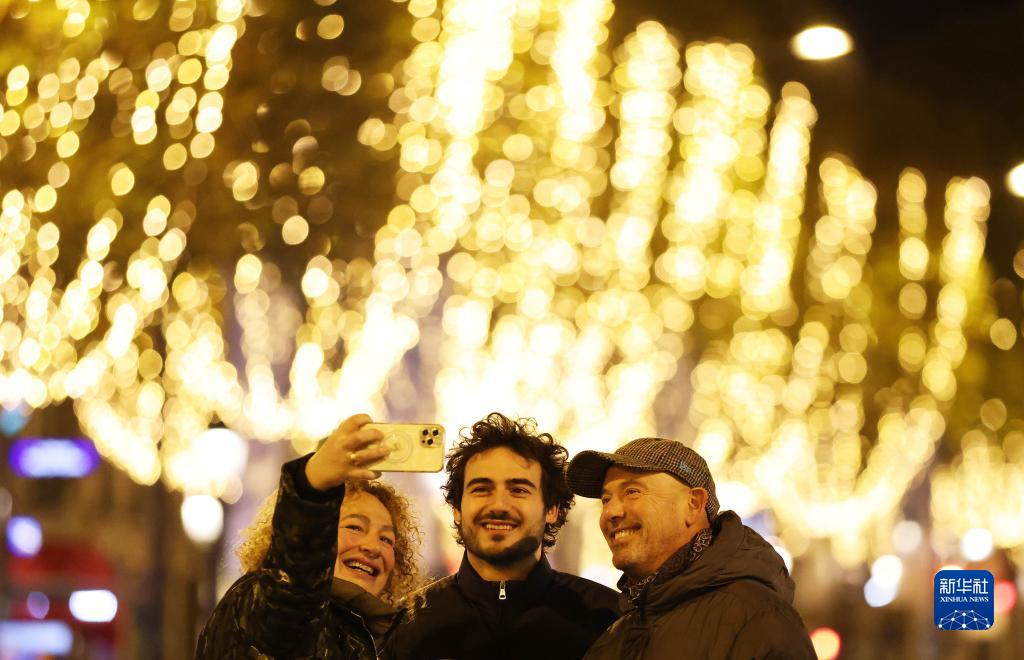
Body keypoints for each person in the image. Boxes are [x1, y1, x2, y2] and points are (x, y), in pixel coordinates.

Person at [381, 413, 619, 659]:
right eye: (482, 489)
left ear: (551, 509)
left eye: (518, 490)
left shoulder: (608, 621)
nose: (498, 505)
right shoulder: (404, 626)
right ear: (457, 509)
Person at [565, 437, 816, 660]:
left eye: (632, 492)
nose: (610, 512)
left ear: (693, 504)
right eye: (606, 499)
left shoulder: (758, 621)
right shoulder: (615, 634)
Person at [196, 414, 423, 659]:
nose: (373, 547)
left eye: (386, 539)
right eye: (355, 527)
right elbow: (293, 594)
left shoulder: (363, 638)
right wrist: (312, 487)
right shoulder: (265, 606)